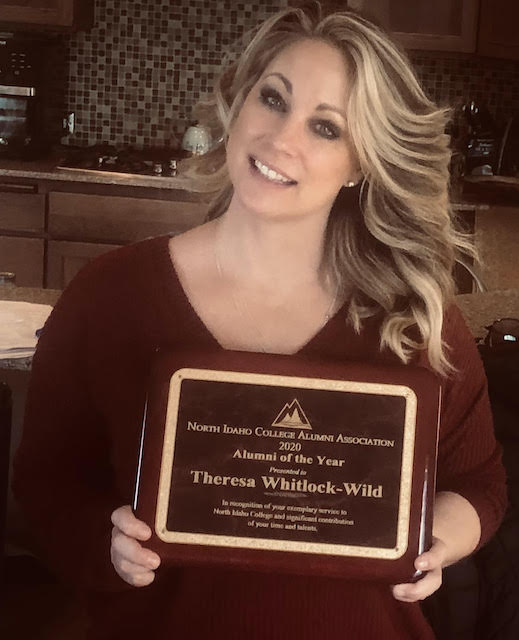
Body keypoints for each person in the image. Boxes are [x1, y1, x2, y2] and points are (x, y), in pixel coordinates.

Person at [12, 4, 506, 639]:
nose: (281, 139)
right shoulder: (111, 294)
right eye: (273, 98)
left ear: (362, 164)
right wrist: (104, 544)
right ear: (238, 103)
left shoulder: (414, 320)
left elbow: (480, 483)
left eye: (326, 128)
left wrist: (435, 540)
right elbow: (46, 478)